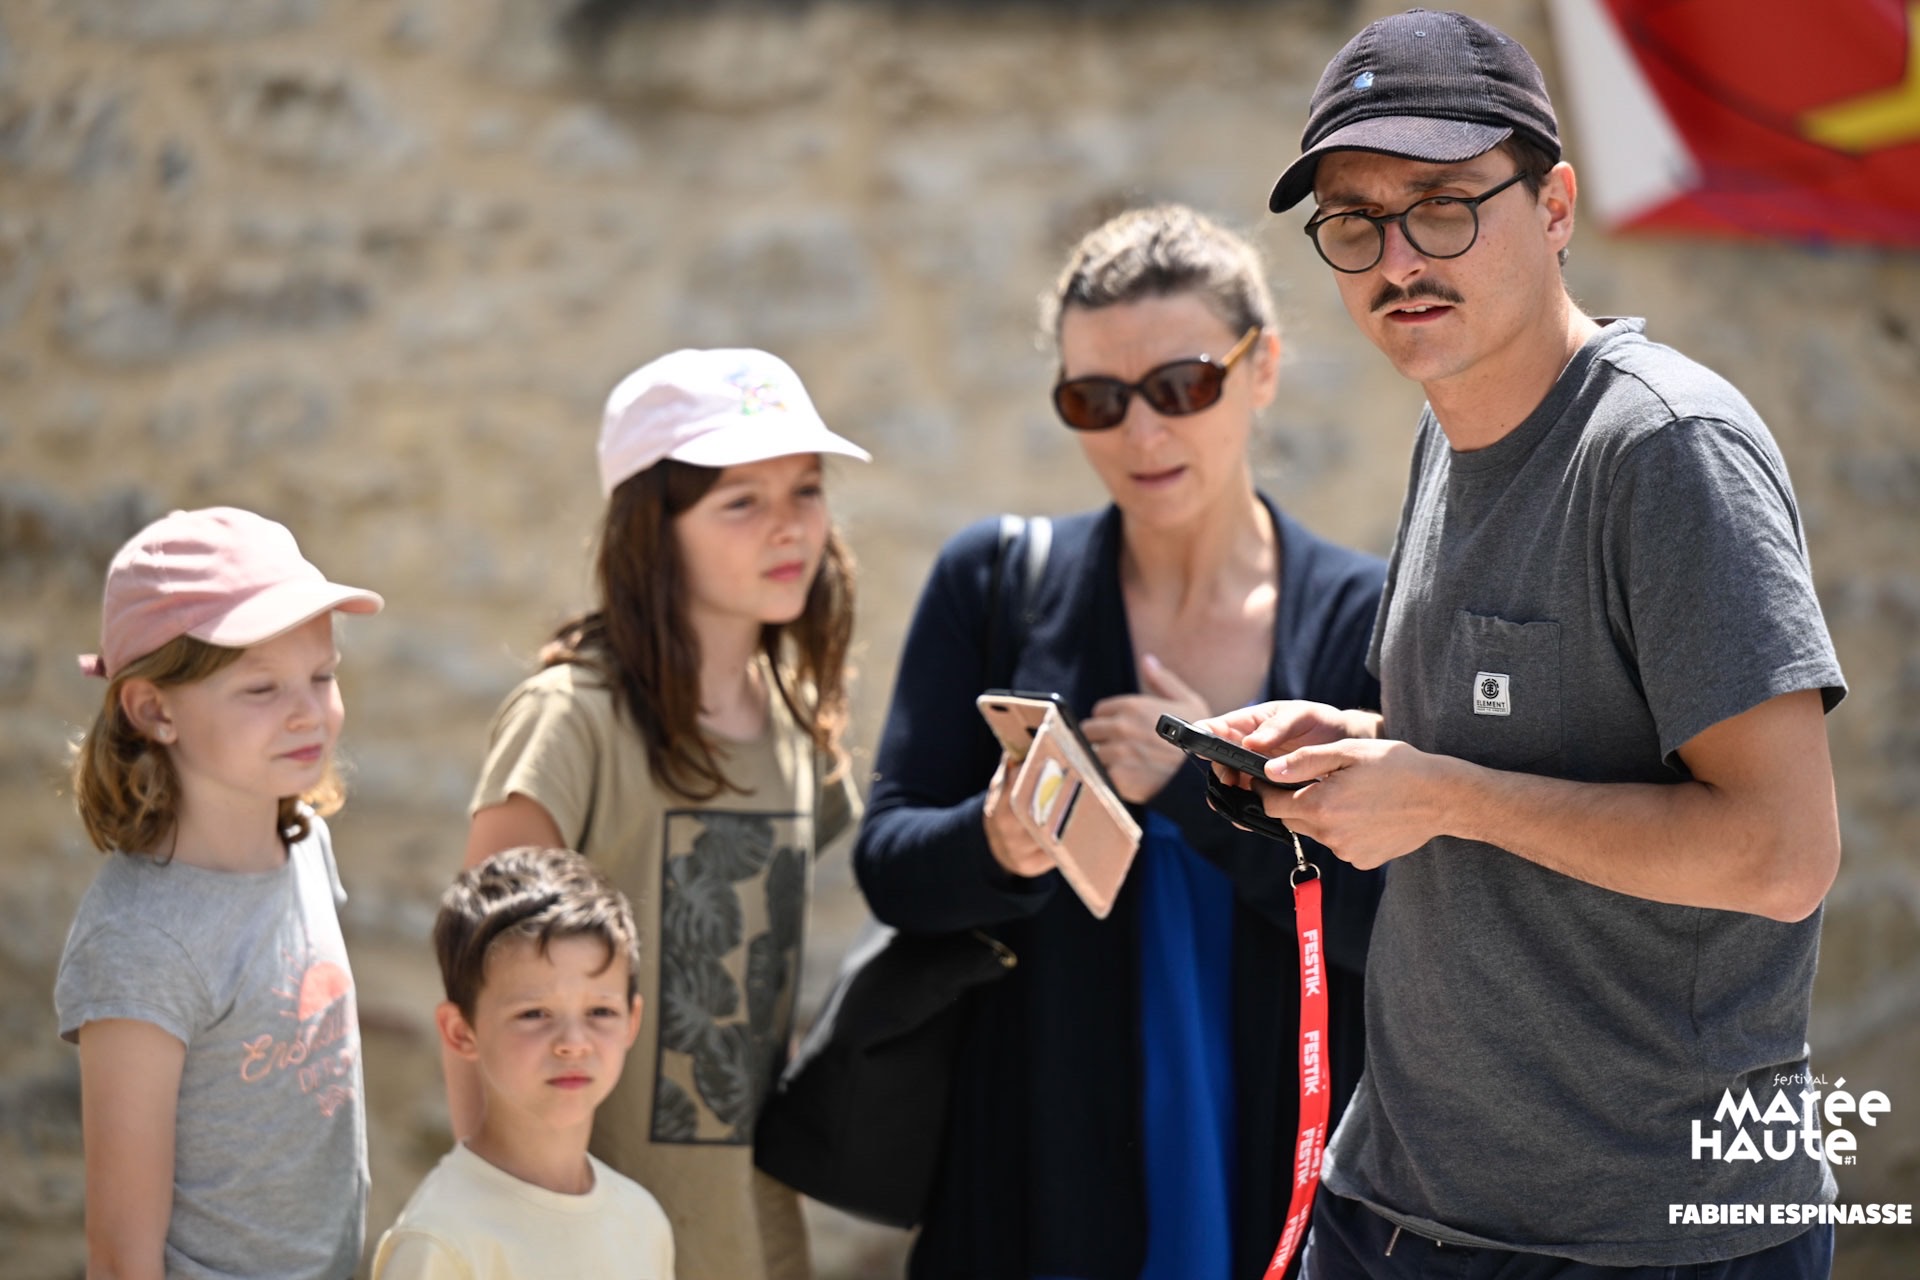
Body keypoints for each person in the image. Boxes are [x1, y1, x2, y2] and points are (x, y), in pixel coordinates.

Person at [1201, 10, 1847, 1278]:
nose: (1398, 258)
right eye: (1354, 222)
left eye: (1443, 207)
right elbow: (1532, 738)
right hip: (1397, 1203)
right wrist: (1360, 747)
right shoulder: (1450, 427)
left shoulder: (1667, 448)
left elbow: (1784, 854)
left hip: (1643, 1237)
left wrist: (1441, 792)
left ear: (1554, 207)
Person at [853, 204, 1386, 1280]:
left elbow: (1397, 924)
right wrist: (999, 841)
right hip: (1035, 1166)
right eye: (1095, 399)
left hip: (1280, 1166)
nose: (1141, 434)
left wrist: (1203, 797)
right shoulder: (996, 584)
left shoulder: (1366, 619)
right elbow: (890, 866)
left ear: (1263, 368)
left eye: (1182, 386)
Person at [456, 347, 869, 1280]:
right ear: (653, 530)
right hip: (585, 1239)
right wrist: (509, 1211)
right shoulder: (571, 720)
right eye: (741, 502)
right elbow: (476, 982)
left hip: (751, 1231)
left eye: (807, 490)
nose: (790, 527)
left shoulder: (797, 725)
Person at [54, 506, 382, 1279]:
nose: (309, 712)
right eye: (262, 688)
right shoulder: (139, 943)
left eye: (323, 676)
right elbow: (120, 1256)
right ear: (153, 709)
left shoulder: (305, 845)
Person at [373, 846, 673, 1278]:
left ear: (632, 1021)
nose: (573, 1044)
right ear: (461, 1032)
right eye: (534, 1014)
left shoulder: (642, 1222)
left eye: (600, 1012)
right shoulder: (441, 1241)